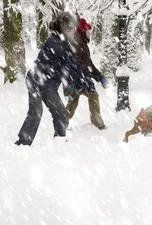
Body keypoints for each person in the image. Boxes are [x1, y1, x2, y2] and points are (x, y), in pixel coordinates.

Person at [15, 11, 95, 146]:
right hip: (35, 80)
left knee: (60, 112)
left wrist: (84, 80)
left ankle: (60, 140)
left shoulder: (64, 42)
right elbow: (68, 67)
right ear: (65, 29)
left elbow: (72, 65)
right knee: (36, 112)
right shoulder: (55, 44)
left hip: (48, 84)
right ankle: (23, 142)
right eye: (72, 29)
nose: (74, 31)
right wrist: (80, 81)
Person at [64, 17, 109, 130]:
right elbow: (75, 64)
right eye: (88, 30)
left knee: (73, 102)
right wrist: (83, 80)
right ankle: (97, 123)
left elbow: (89, 65)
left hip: (77, 80)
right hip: (76, 80)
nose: (90, 33)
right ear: (83, 31)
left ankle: (61, 123)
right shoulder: (78, 43)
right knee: (91, 96)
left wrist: (99, 77)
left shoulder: (82, 43)